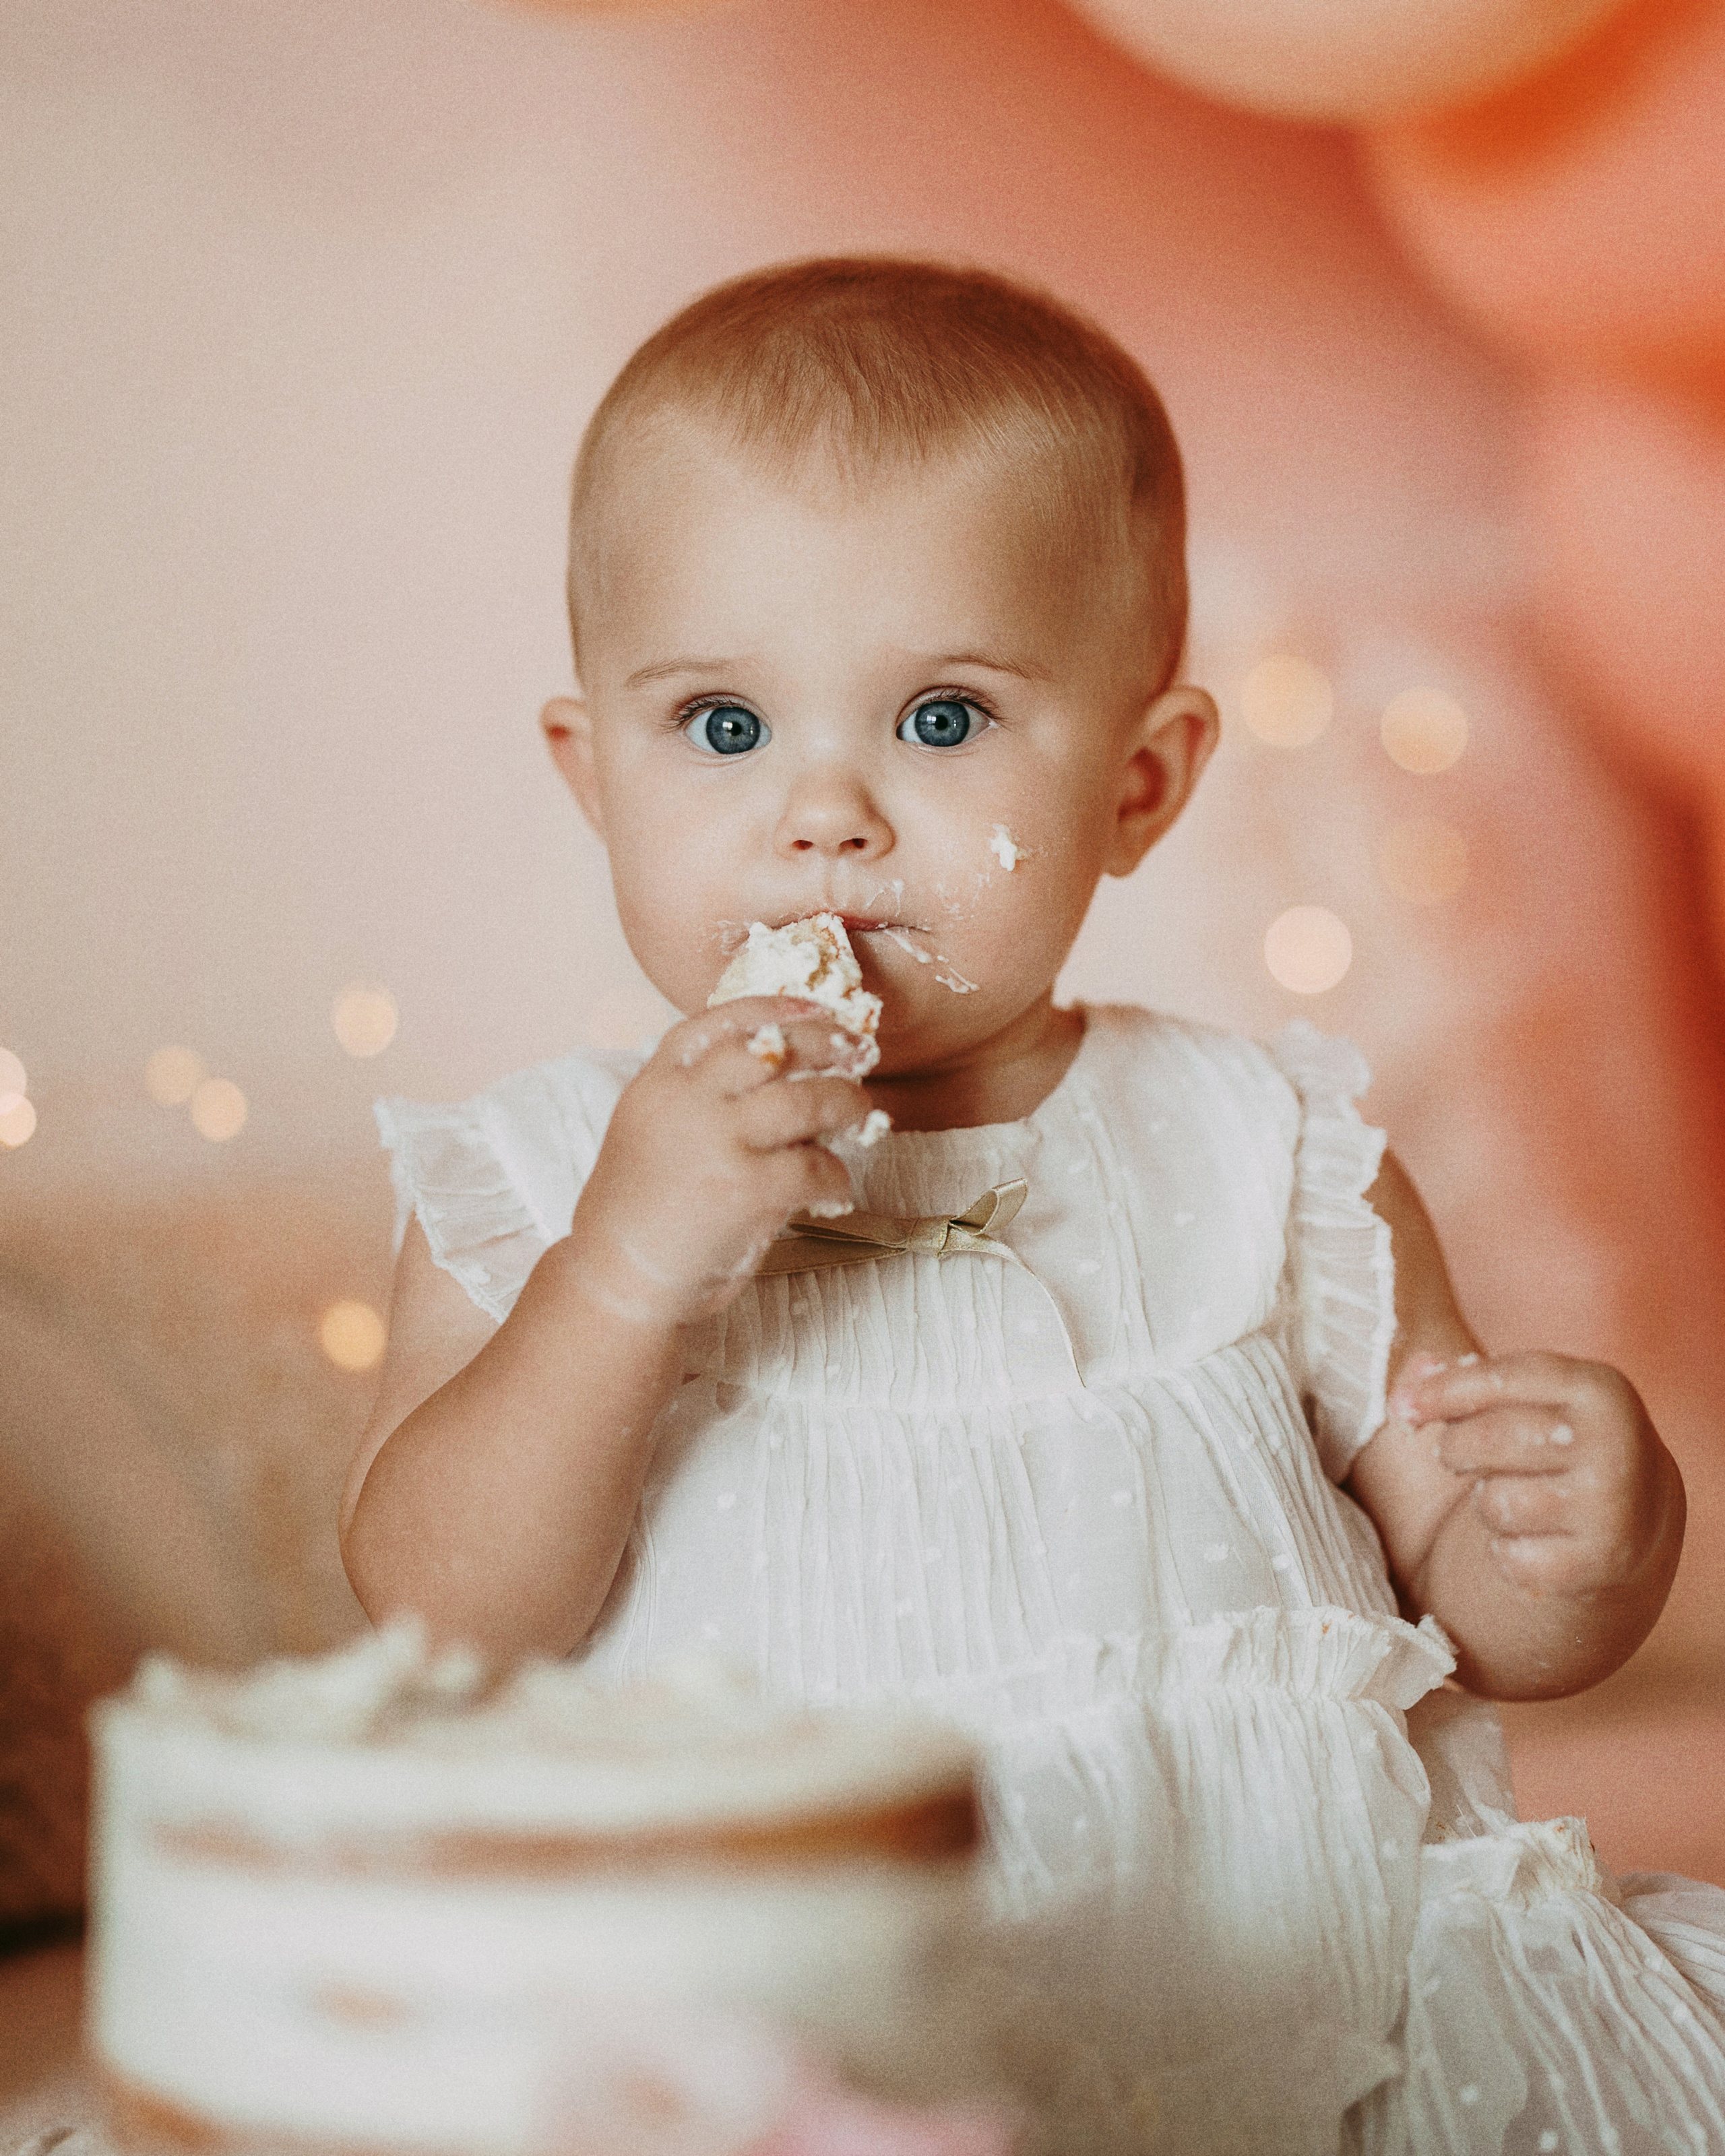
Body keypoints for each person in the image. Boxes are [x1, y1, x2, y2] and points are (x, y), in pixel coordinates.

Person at [339, 259, 1725, 2153]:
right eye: (725, 728)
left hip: (1299, 2024)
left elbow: (1478, 1614)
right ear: (594, 775)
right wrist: (623, 1275)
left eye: (941, 718)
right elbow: (437, 1615)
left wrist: (1582, 1543)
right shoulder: (539, 1179)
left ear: (1138, 786)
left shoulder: (1267, 1155)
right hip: (787, 2062)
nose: (825, 814)